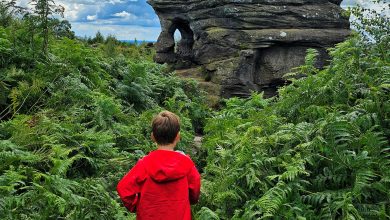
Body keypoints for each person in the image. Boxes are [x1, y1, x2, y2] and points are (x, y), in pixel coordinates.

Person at [117, 111, 201, 220]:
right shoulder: (186, 164)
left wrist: (136, 206)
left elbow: (123, 188)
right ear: (178, 136)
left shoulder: (144, 164)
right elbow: (195, 192)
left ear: (153, 137)